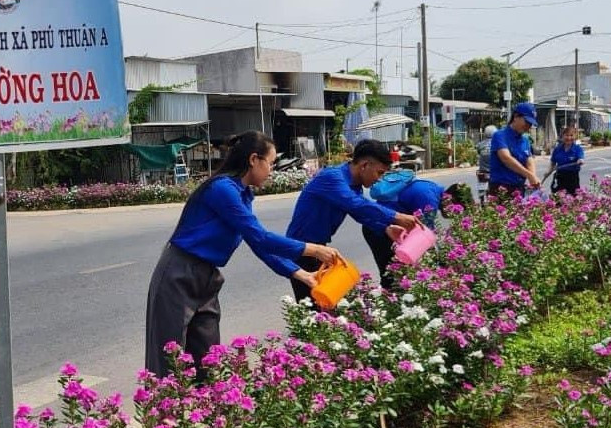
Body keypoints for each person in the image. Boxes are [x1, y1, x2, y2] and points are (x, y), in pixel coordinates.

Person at [145, 131, 341, 379]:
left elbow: (259, 244)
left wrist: (303, 275)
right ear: (253, 160)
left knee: (208, 360)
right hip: (178, 273)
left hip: (207, 277)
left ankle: (206, 413)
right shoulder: (222, 189)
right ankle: (163, 414)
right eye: (270, 163)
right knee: (167, 360)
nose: (271, 171)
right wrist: (312, 249)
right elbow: (260, 236)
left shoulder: (243, 194)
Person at [285, 138, 420, 302]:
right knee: (312, 308)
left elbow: (360, 213)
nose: (379, 179)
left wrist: (386, 228)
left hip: (318, 249)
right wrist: (397, 217)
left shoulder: (354, 185)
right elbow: (357, 205)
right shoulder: (332, 177)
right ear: (364, 165)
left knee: (327, 304)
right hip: (302, 249)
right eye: (379, 172)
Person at [363, 177, 475, 288]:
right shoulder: (429, 199)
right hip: (378, 228)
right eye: (456, 210)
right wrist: (444, 264)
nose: (453, 215)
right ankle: (388, 299)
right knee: (391, 272)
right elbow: (425, 237)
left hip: (387, 226)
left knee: (398, 271)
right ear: (450, 199)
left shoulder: (432, 189)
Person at [488, 102, 541, 198]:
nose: (528, 126)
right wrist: (529, 175)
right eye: (527, 122)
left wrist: (533, 178)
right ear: (516, 116)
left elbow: (529, 161)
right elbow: (506, 158)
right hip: (501, 189)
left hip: (519, 189)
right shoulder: (500, 135)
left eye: (530, 124)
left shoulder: (525, 140)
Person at [547, 125, 585, 195]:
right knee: (557, 197)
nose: (569, 138)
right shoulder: (557, 149)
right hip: (560, 176)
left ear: (575, 137)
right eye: (567, 135)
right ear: (563, 136)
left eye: (571, 135)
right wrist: (548, 171)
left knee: (573, 199)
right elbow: (553, 162)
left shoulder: (577, 149)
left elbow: (581, 158)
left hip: (572, 178)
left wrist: (580, 160)